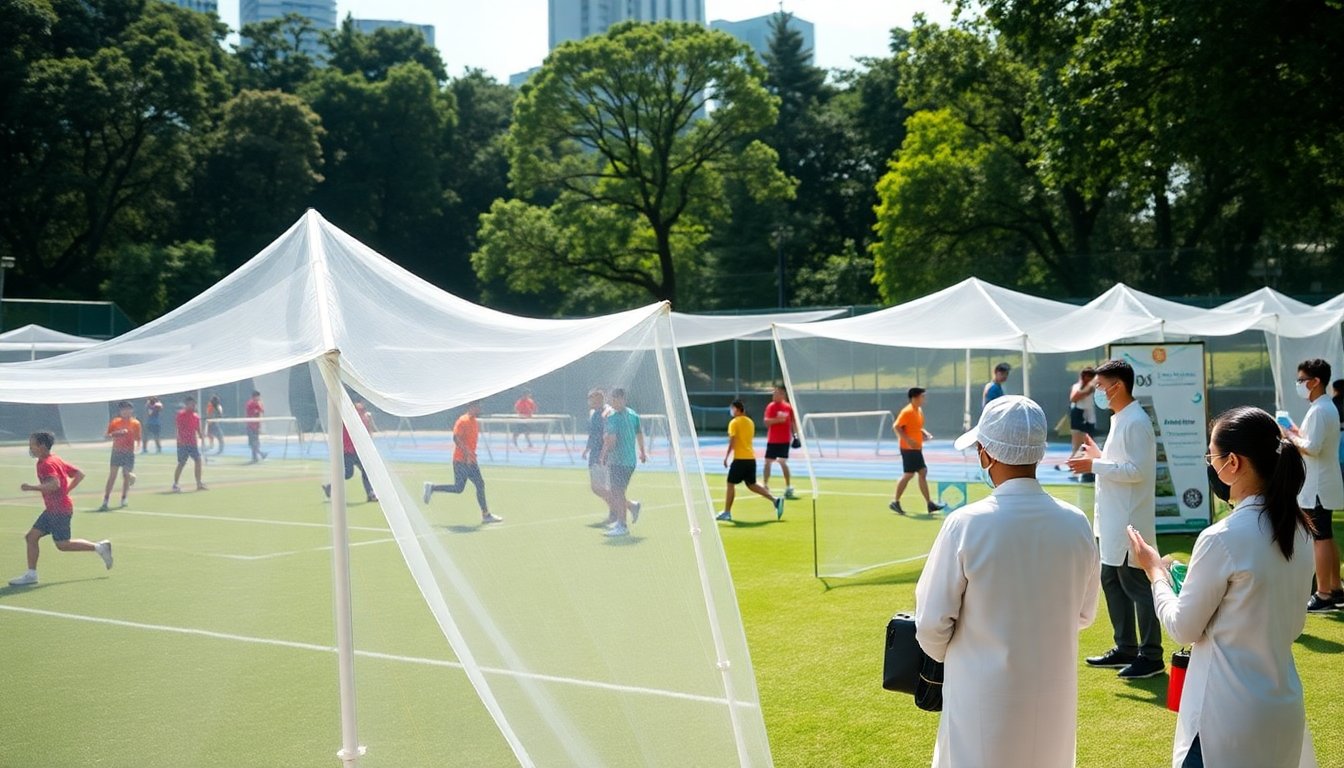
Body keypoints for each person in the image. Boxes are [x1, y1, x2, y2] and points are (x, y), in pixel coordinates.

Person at [1127, 406, 1318, 768]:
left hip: (1225, 718)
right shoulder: (1301, 530)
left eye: (1211, 456)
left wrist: (1155, 572)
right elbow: (1287, 622)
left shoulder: (1223, 537)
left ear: (1233, 463)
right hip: (1281, 706)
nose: (1210, 465)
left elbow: (1182, 626)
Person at [916, 396, 1099, 768]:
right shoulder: (1076, 523)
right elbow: (1085, 613)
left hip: (981, 696)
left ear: (986, 455)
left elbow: (931, 623)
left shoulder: (966, 524)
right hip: (1051, 694)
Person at [1067, 358, 1163, 679]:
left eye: (1101, 387)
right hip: (1111, 520)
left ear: (1117, 386)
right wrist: (1100, 458)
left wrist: (1094, 465)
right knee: (1111, 581)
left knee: (1135, 585)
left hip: (1128, 521)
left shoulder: (1135, 421)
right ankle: (1125, 647)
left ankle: (1151, 655)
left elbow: (1137, 471)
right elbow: (1120, 464)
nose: (1098, 393)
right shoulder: (1121, 418)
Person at [8, 431, 113, 586]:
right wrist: (67, 490)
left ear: (42, 446)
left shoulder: (47, 464)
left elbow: (54, 485)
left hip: (59, 510)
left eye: (32, 445)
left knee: (63, 544)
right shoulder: (54, 459)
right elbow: (79, 474)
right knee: (31, 537)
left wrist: (32, 487)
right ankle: (31, 574)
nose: (30, 448)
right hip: (53, 509)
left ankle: (99, 547)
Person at [1287, 358, 1343, 612]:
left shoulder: (1321, 409)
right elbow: (1311, 440)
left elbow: (1312, 447)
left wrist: (1288, 436)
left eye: (1301, 380)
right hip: (1322, 482)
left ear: (1315, 381)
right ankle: (1334, 587)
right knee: (1326, 536)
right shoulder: (1324, 407)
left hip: (1317, 486)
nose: (1299, 385)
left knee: (1320, 538)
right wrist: (1296, 432)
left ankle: (1323, 592)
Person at [423, 401, 501, 524]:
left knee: (479, 484)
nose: (479, 409)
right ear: (471, 407)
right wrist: (467, 453)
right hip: (461, 461)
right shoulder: (462, 421)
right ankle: (432, 487)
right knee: (459, 488)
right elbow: (456, 438)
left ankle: (486, 514)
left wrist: (471, 455)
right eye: (477, 407)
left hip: (471, 461)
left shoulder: (474, 422)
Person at [715, 400, 784, 523]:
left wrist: (726, 457)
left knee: (730, 483)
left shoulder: (734, 422)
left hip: (740, 459)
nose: (731, 411)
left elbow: (733, 441)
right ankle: (775, 500)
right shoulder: (750, 422)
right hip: (751, 459)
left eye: (732, 409)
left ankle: (727, 512)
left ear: (737, 409)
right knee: (751, 484)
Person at [890, 387, 944, 516]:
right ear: (914, 398)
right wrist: (908, 440)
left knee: (921, 472)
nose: (924, 399)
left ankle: (929, 504)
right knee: (910, 474)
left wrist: (924, 433)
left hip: (916, 448)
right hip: (908, 449)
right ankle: (896, 502)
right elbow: (896, 426)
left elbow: (916, 427)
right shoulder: (907, 411)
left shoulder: (918, 410)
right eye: (922, 396)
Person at [600, 388, 646, 537]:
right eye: (613, 400)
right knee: (617, 492)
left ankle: (622, 525)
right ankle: (632, 507)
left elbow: (611, 441)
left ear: (623, 399)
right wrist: (642, 451)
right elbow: (639, 433)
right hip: (629, 461)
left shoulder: (613, 417)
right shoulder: (633, 414)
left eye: (617, 400)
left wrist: (604, 454)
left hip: (619, 461)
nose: (615, 403)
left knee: (617, 493)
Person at [323, 401, 377, 503]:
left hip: (359, 451)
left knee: (366, 471)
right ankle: (329, 487)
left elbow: (369, 433)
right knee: (348, 474)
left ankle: (370, 493)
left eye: (361, 410)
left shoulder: (365, 419)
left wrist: (369, 424)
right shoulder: (346, 420)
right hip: (347, 451)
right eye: (358, 410)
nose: (360, 412)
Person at [98, 400, 140, 511]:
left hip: (129, 452)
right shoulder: (115, 422)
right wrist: (117, 433)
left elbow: (137, 438)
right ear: (120, 411)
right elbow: (107, 436)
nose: (126, 411)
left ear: (131, 410)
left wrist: (135, 449)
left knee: (126, 475)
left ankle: (124, 497)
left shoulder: (135, 423)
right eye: (123, 409)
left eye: (128, 409)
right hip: (117, 451)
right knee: (112, 476)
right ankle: (106, 500)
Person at [762, 385, 799, 500]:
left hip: (784, 440)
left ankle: (788, 486)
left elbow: (793, 422)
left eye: (777, 393)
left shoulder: (788, 407)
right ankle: (765, 485)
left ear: (783, 395)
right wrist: (778, 420)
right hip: (773, 439)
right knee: (768, 462)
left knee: (783, 462)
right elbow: (766, 422)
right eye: (774, 393)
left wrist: (796, 436)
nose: (774, 395)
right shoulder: (771, 407)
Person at [172, 396, 208, 493]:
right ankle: (175, 484)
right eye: (190, 404)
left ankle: (199, 483)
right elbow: (178, 428)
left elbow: (197, 429)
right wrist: (179, 440)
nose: (193, 406)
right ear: (186, 404)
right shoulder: (180, 415)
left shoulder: (196, 416)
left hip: (192, 443)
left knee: (198, 460)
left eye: (194, 404)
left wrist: (201, 435)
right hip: (183, 444)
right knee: (181, 463)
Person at [245, 390, 268, 463]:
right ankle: (260, 455)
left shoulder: (258, 403)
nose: (259, 398)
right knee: (252, 443)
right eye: (258, 396)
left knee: (256, 443)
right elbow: (252, 413)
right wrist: (257, 410)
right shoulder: (250, 403)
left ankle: (256, 457)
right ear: (254, 397)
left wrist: (260, 405)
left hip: (256, 426)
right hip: (251, 426)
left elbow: (262, 410)